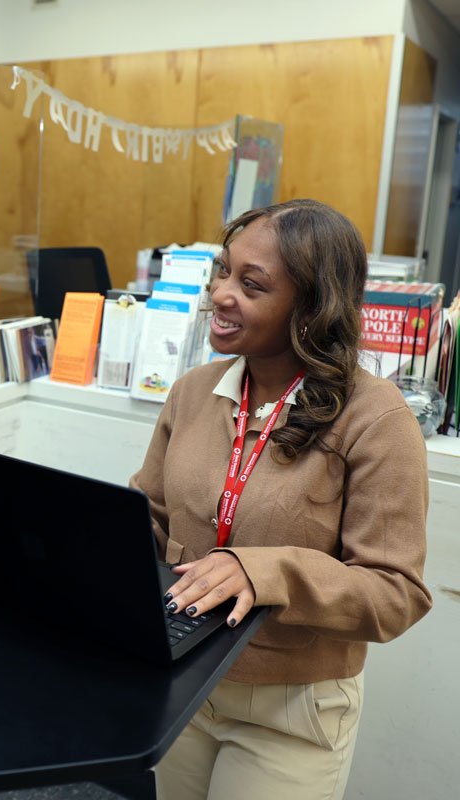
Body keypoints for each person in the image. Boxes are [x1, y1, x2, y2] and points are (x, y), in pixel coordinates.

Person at [129, 198, 432, 800]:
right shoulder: (192, 392)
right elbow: (152, 520)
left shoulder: (377, 419)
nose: (220, 293)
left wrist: (266, 570)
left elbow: (396, 593)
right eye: (223, 271)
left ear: (311, 307)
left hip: (291, 710)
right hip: (181, 680)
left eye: (252, 284)